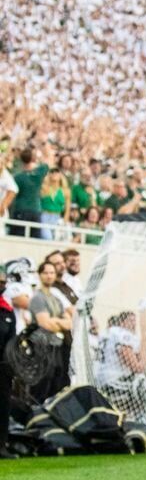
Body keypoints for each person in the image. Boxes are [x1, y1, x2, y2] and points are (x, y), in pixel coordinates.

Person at [27, 261, 73, 402]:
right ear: (40, 275)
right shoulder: (37, 298)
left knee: (56, 382)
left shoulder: (56, 299)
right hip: (41, 346)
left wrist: (56, 322)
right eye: (45, 273)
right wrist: (58, 322)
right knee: (41, 384)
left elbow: (69, 323)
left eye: (51, 273)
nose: (49, 276)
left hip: (56, 346)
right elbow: (45, 324)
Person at [95, 311, 146, 423]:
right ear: (122, 322)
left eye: (135, 321)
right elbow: (135, 367)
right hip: (116, 382)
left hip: (100, 379)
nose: (134, 324)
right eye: (130, 321)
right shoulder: (123, 334)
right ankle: (141, 427)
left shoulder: (106, 332)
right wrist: (145, 358)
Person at [10, 147, 48, 238]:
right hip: (35, 209)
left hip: (21, 209)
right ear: (33, 159)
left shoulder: (18, 177)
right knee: (35, 238)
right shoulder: (39, 173)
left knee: (18, 237)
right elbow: (46, 165)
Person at [0, 270, 18, 459]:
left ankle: (1, 445)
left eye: (3, 282)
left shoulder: (7, 311)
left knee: (3, 406)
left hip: (2, 367)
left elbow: (11, 341)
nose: (1, 285)